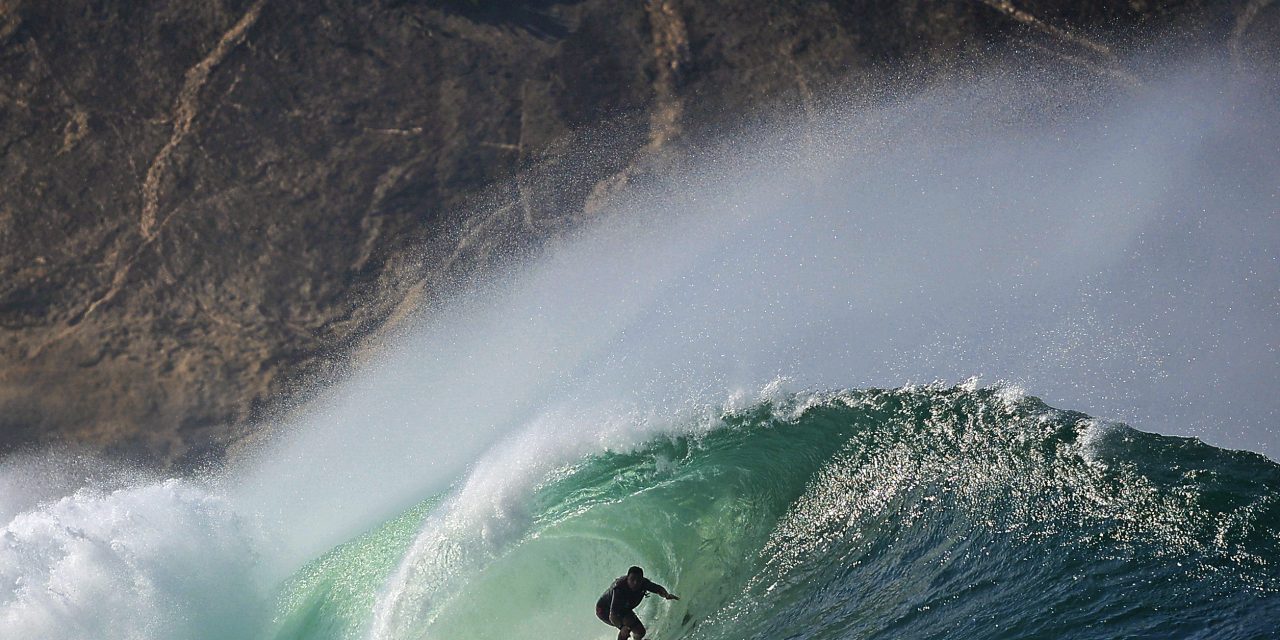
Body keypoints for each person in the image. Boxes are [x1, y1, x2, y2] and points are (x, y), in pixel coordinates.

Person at [595, 565, 679, 640]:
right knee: (627, 624)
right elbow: (613, 616)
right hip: (604, 610)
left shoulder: (644, 583)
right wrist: (621, 627)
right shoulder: (619, 589)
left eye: (638, 580)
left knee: (641, 632)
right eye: (632, 579)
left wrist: (666, 595)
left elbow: (658, 589)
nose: (635, 583)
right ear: (627, 578)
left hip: (622, 609)